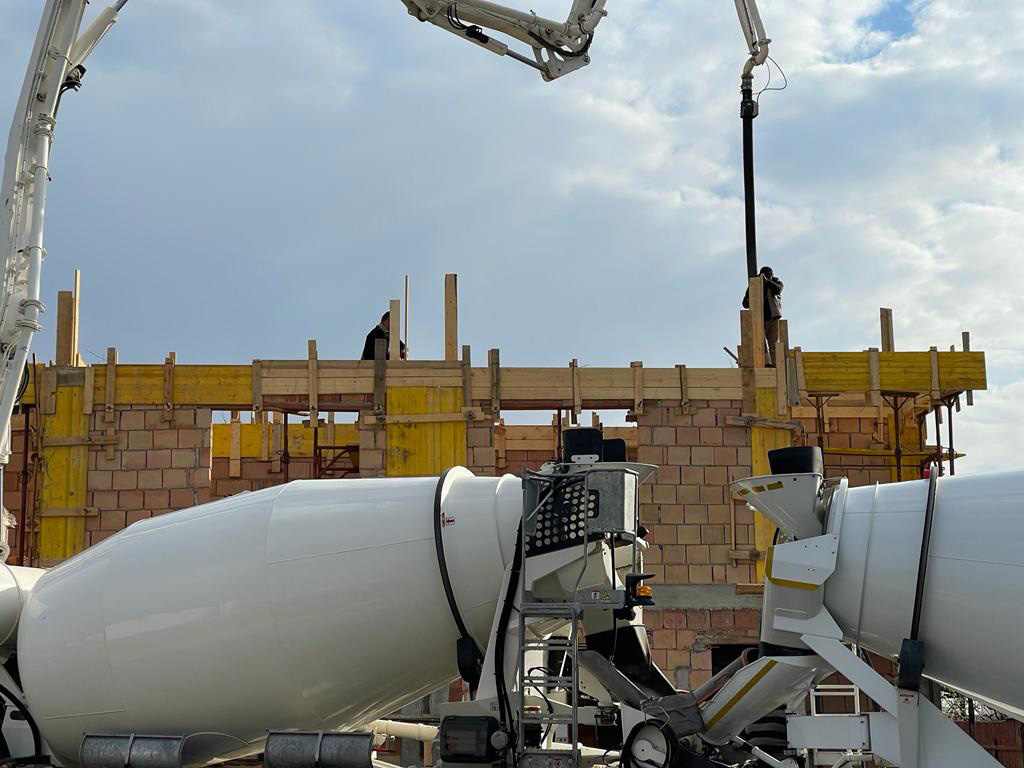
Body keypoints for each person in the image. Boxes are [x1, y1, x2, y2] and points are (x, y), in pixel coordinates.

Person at [742, 266, 784, 367]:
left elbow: (778, 290)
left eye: (769, 275)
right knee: (760, 343)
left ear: (772, 275)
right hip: (759, 320)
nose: (767, 276)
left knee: (773, 344)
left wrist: (768, 281)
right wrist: (749, 299)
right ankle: (766, 363)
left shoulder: (776, 282)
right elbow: (745, 303)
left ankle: (775, 365)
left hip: (773, 318)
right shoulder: (754, 285)